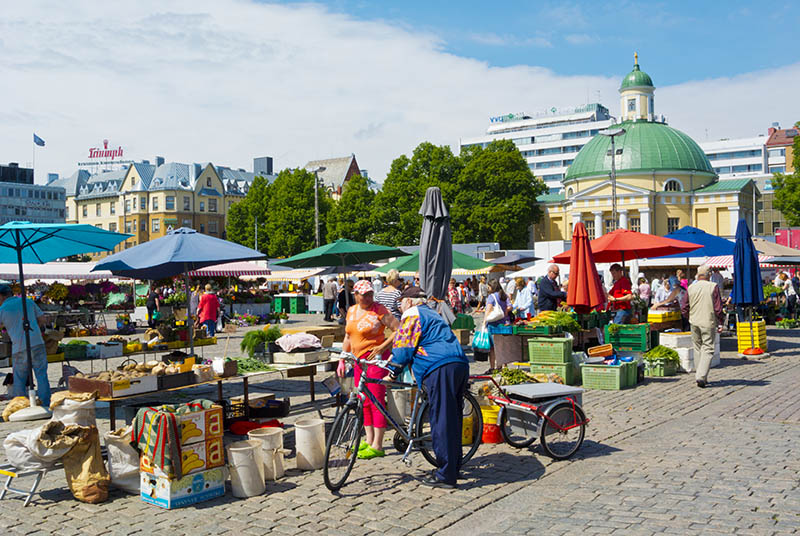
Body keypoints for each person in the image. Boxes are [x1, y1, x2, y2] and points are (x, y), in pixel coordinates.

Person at [390, 285, 470, 488]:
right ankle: (453, 465)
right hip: (458, 363)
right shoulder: (431, 313)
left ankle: (445, 476)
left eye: (400, 304)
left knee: (441, 420)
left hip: (439, 367)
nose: (400, 309)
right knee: (452, 419)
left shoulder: (412, 314)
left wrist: (392, 371)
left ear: (408, 302)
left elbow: (403, 347)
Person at [338, 280, 399, 460]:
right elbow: (348, 336)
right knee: (363, 401)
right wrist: (342, 358)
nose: (368, 298)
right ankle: (369, 438)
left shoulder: (379, 310)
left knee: (377, 401)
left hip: (375, 362)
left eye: (370, 294)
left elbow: (398, 329)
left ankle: (378, 444)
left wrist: (382, 347)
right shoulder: (351, 311)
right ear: (355, 295)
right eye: (364, 295)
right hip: (358, 362)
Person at [0, 284, 50, 406]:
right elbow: (43, 319)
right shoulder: (27, 301)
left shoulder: (2, 309)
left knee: (19, 378)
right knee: (41, 374)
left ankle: (21, 404)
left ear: (1, 296)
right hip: (37, 342)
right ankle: (45, 403)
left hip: (19, 347)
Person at [681, 265, 724, 388]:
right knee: (708, 348)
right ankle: (701, 375)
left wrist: (689, 317)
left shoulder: (691, 288)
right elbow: (718, 308)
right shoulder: (713, 287)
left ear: (698, 275)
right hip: (708, 321)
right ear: (709, 275)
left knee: (697, 347)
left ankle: (701, 376)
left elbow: (684, 306)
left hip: (694, 321)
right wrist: (720, 321)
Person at [484, 279, 511, 372]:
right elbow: (510, 306)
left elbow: (488, 311)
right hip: (503, 324)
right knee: (502, 346)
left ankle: (492, 367)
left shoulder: (491, 297)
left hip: (493, 325)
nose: (488, 288)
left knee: (492, 348)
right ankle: (503, 366)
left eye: (489, 286)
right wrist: (505, 312)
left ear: (492, 287)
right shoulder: (504, 295)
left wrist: (484, 324)